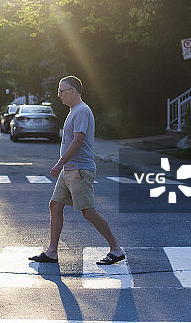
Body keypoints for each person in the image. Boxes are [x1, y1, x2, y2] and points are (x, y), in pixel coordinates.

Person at [29, 75, 125, 265]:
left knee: (88, 212)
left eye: (61, 91)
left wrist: (59, 163)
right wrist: (64, 166)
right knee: (55, 205)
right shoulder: (74, 110)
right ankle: (52, 252)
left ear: (73, 91)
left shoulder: (81, 111)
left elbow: (78, 140)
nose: (59, 95)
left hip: (80, 170)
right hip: (69, 170)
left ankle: (115, 249)